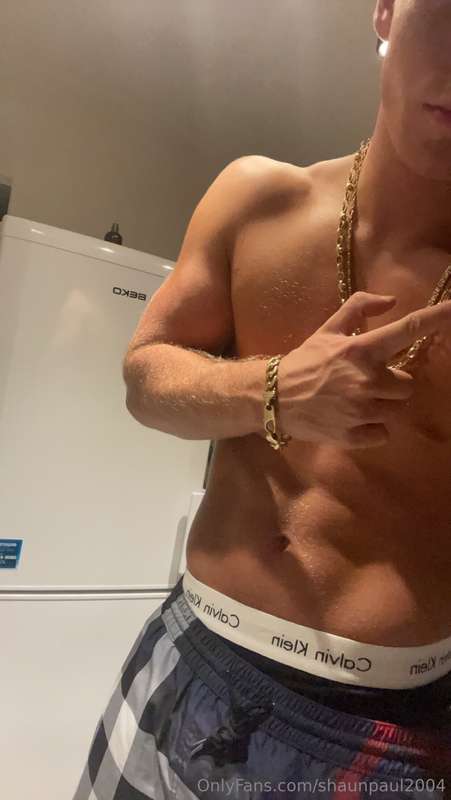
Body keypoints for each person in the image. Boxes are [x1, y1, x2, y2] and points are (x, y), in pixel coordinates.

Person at [73, 1, 451, 797]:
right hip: (189, 658)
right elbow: (145, 382)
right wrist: (274, 390)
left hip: (390, 732)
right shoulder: (256, 199)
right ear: (386, 11)